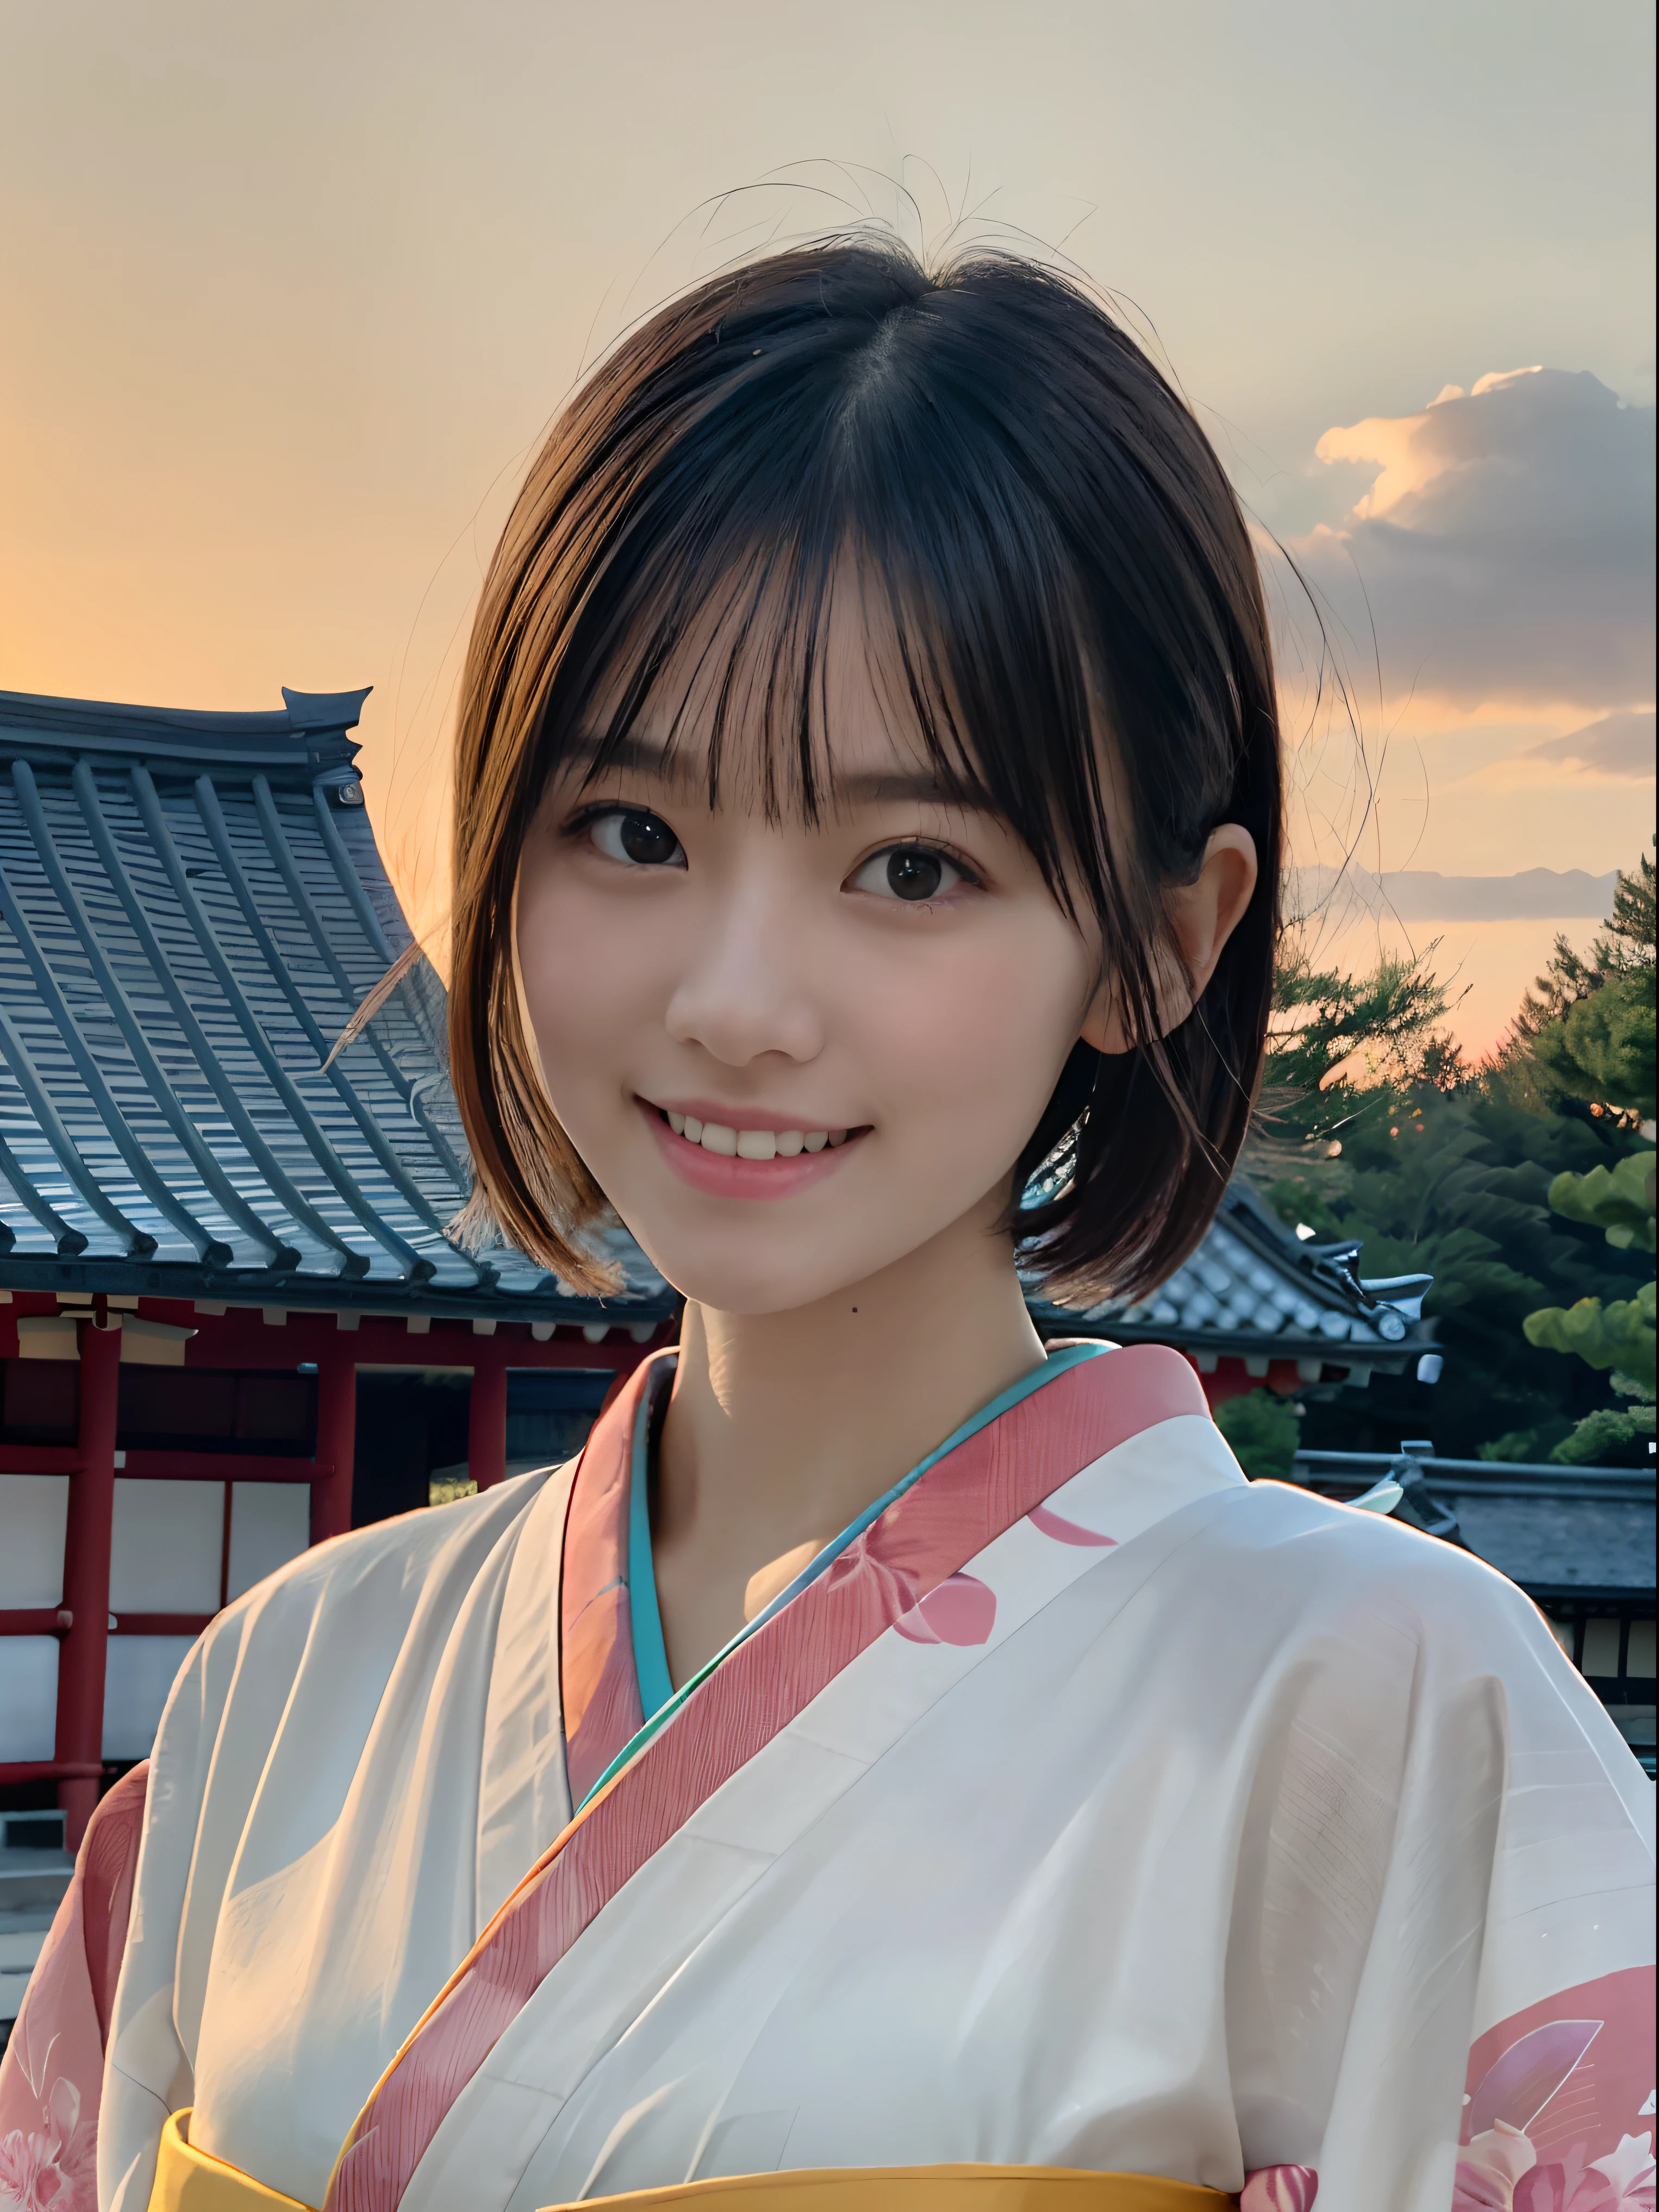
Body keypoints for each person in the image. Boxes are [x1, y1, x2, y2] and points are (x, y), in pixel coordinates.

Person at [2, 242, 1650, 2212]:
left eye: (908, 862)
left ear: (1160, 940)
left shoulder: (1382, 1700)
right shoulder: (279, 1692)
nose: (737, 998)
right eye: (633, 830)